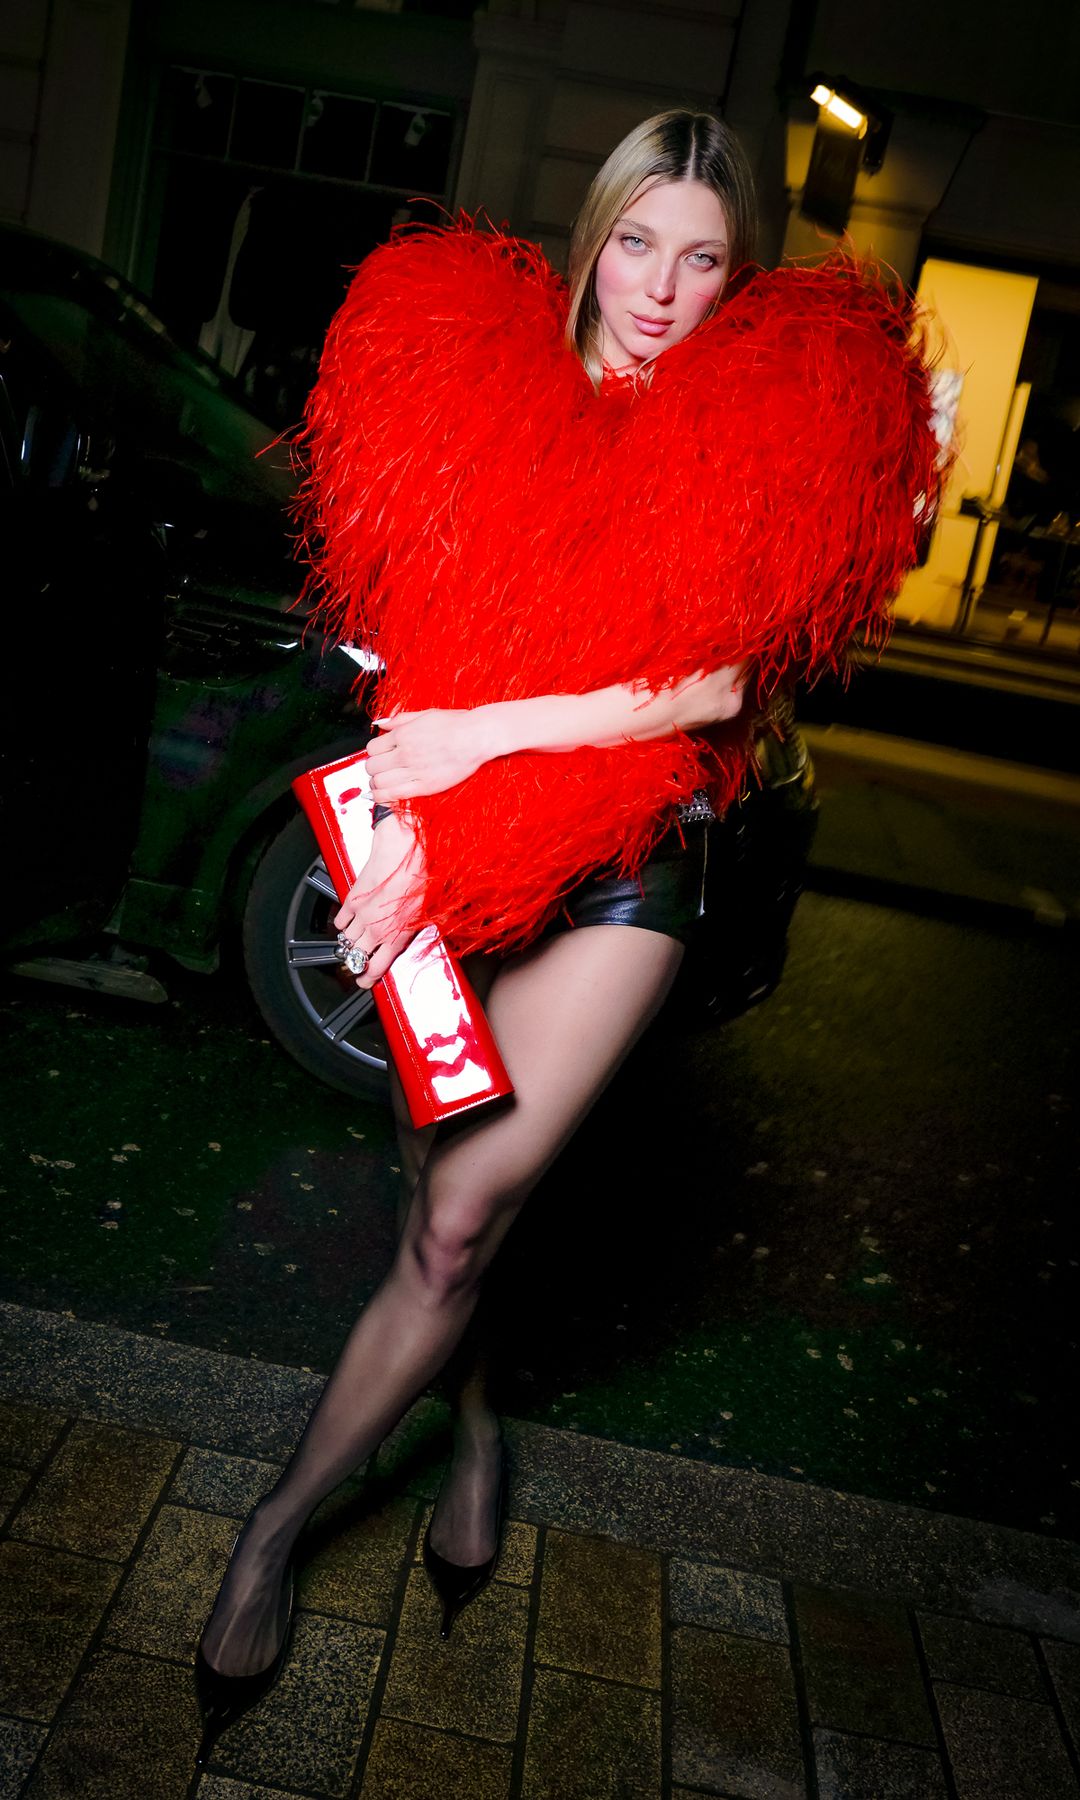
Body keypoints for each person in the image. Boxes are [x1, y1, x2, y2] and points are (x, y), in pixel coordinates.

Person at [194, 108, 939, 1763]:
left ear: (741, 279)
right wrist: (403, 835)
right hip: (450, 853)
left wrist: (485, 739)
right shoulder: (488, 402)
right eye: (637, 241)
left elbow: (722, 684)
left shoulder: (753, 432)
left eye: (704, 257)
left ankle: (270, 1532)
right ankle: (469, 1441)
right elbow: (406, 666)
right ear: (591, 234)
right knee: (437, 1206)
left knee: (457, 1220)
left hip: (634, 869)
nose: (662, 288)